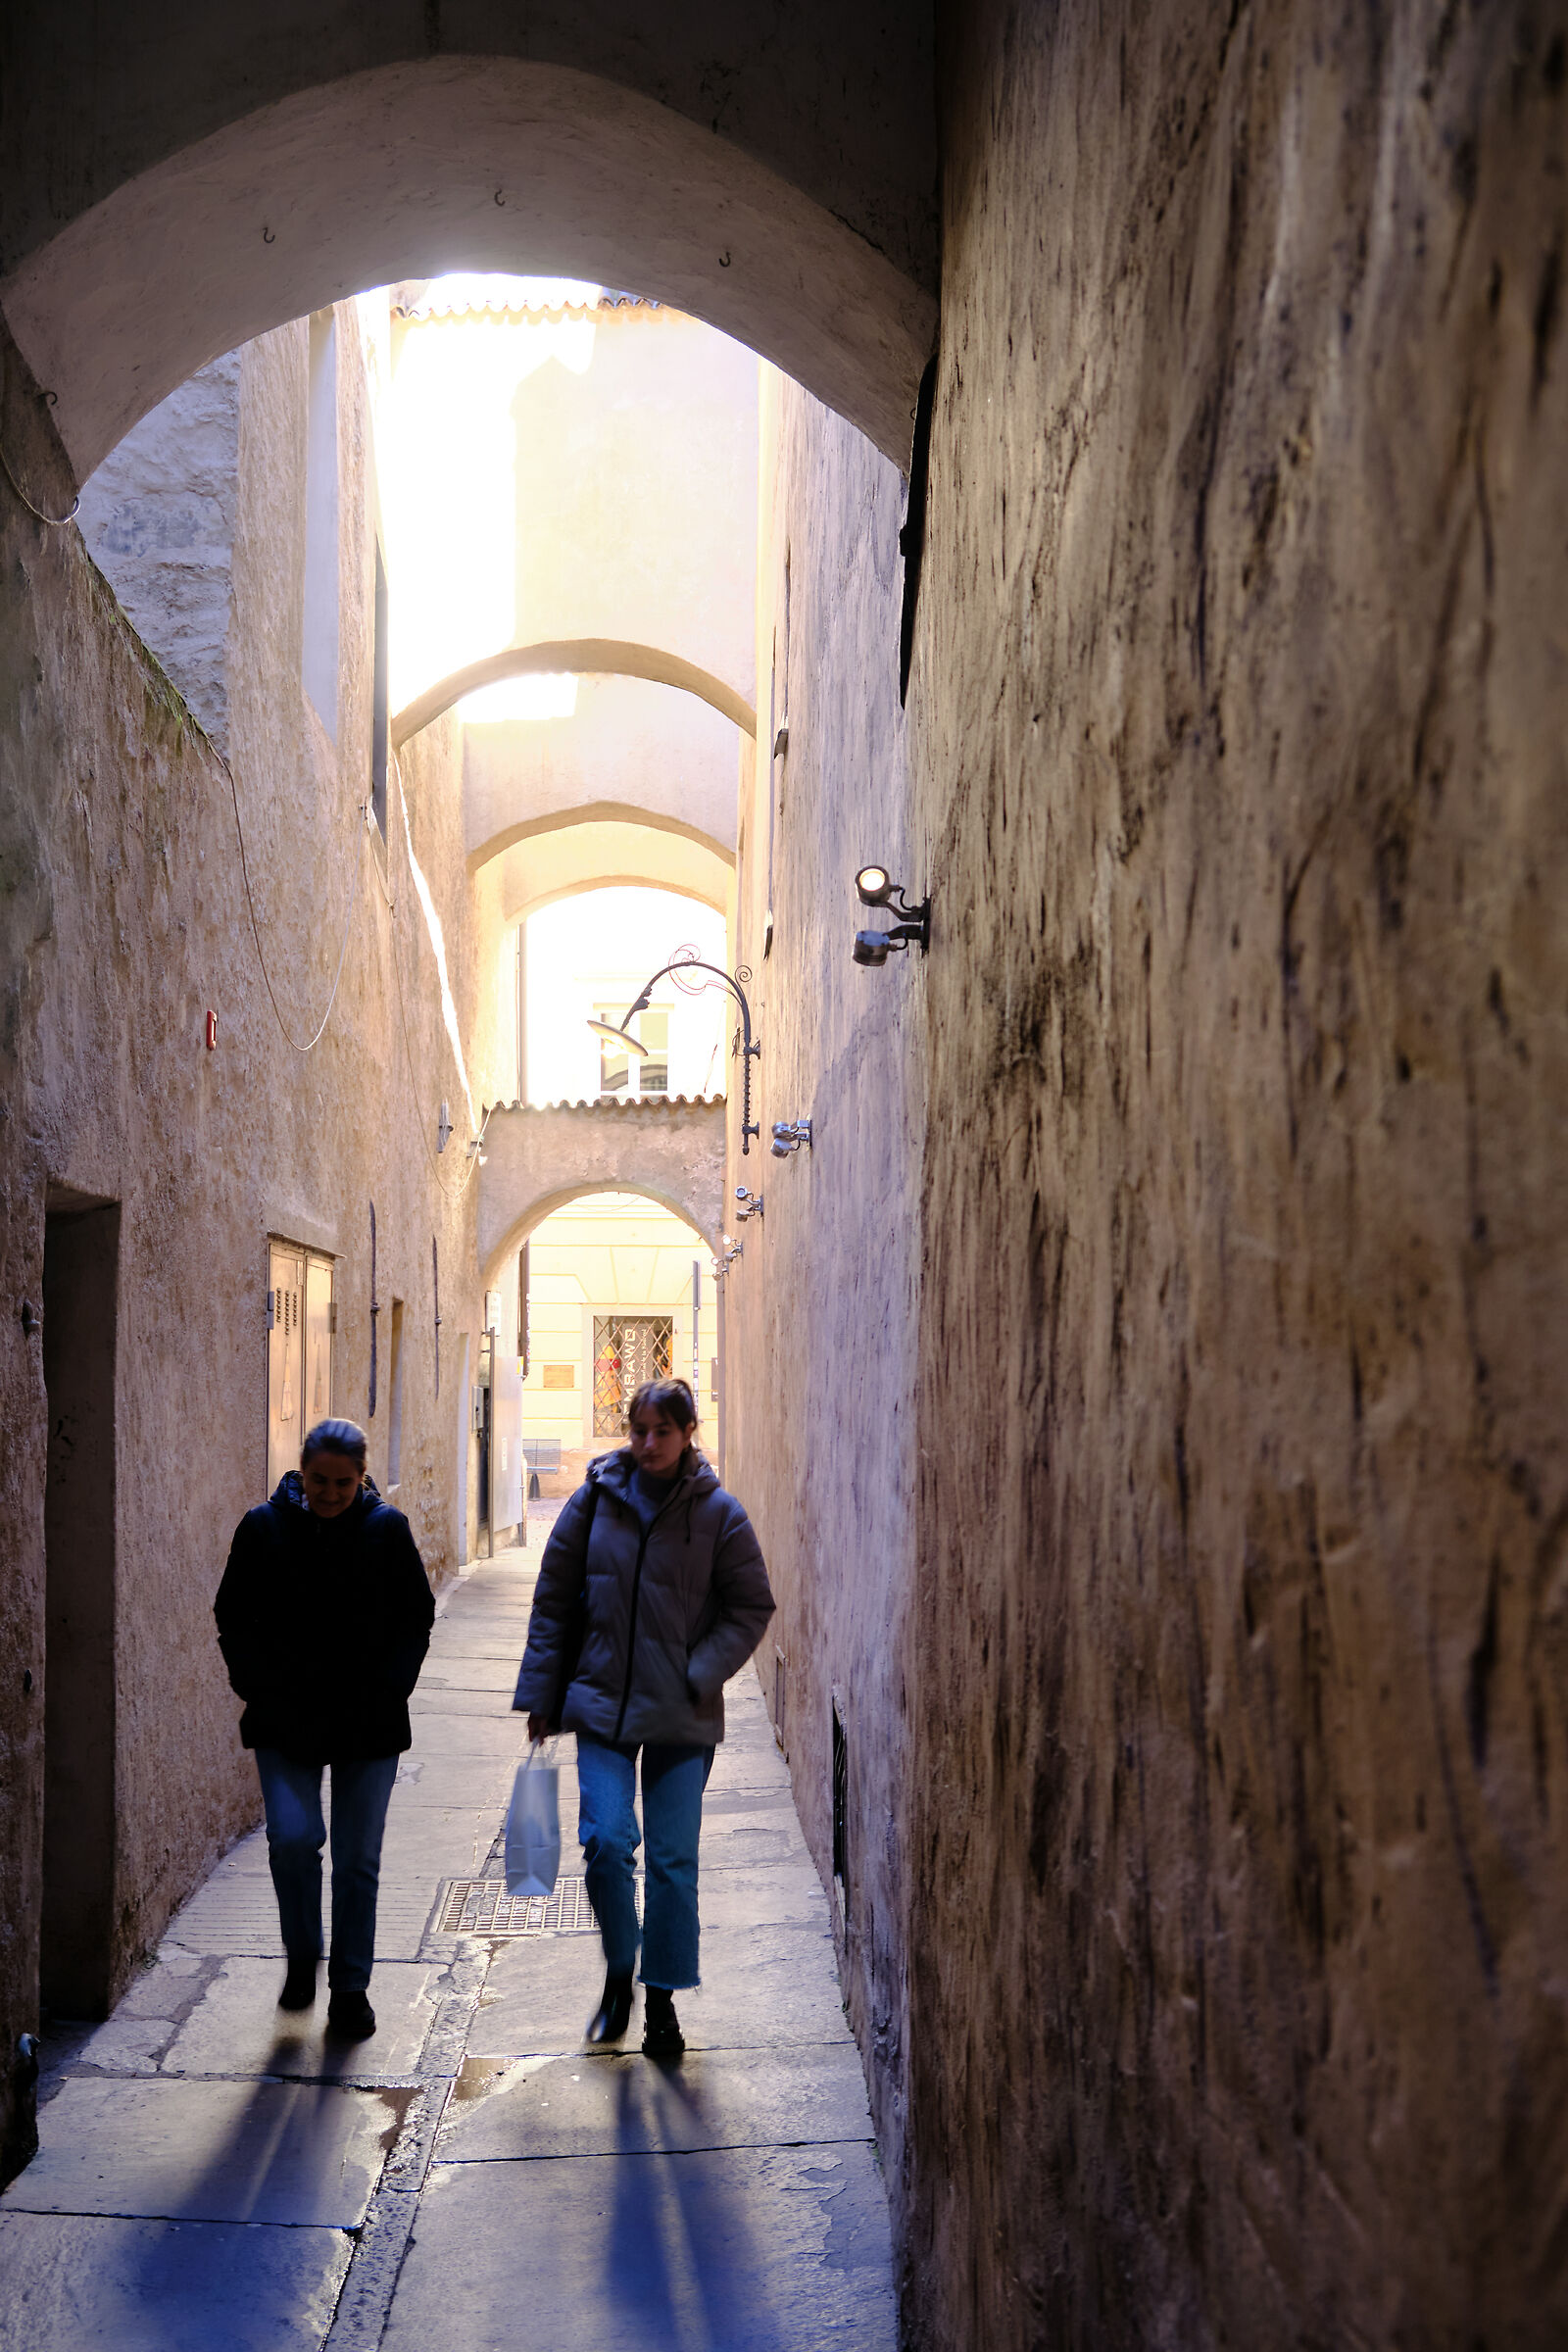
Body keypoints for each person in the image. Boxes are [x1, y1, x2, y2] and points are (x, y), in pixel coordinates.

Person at [513, 1377, 774, 2058]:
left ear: (688, 1433)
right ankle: (618, 1975)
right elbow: (555, 1600)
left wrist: (698, 1672)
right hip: (601, 1704)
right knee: (604, 1842)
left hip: (681, 1715)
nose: (649, 1444)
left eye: (663, 1431)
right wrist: (543, 1693)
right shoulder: (593, 1501)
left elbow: (750, 1607)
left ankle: (661, 2002)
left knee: (670, 1862)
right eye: (639, 1431)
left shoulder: (720, 1515)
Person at [214, 1417, 434, 2040]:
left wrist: (392, 1686)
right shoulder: (263, 1528)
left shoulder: (386, 1530)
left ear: (362, 1478)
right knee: (291, 1839)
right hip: (285, 1718)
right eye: (318, 1481)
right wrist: (254, 1684)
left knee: (357, 1860)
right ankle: (305, 1956)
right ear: (300, 1472)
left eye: (343, 1483)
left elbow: (416, 1615)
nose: (330, 1494)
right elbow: (233, 1613)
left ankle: (351, 1989)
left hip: (369, 1721)